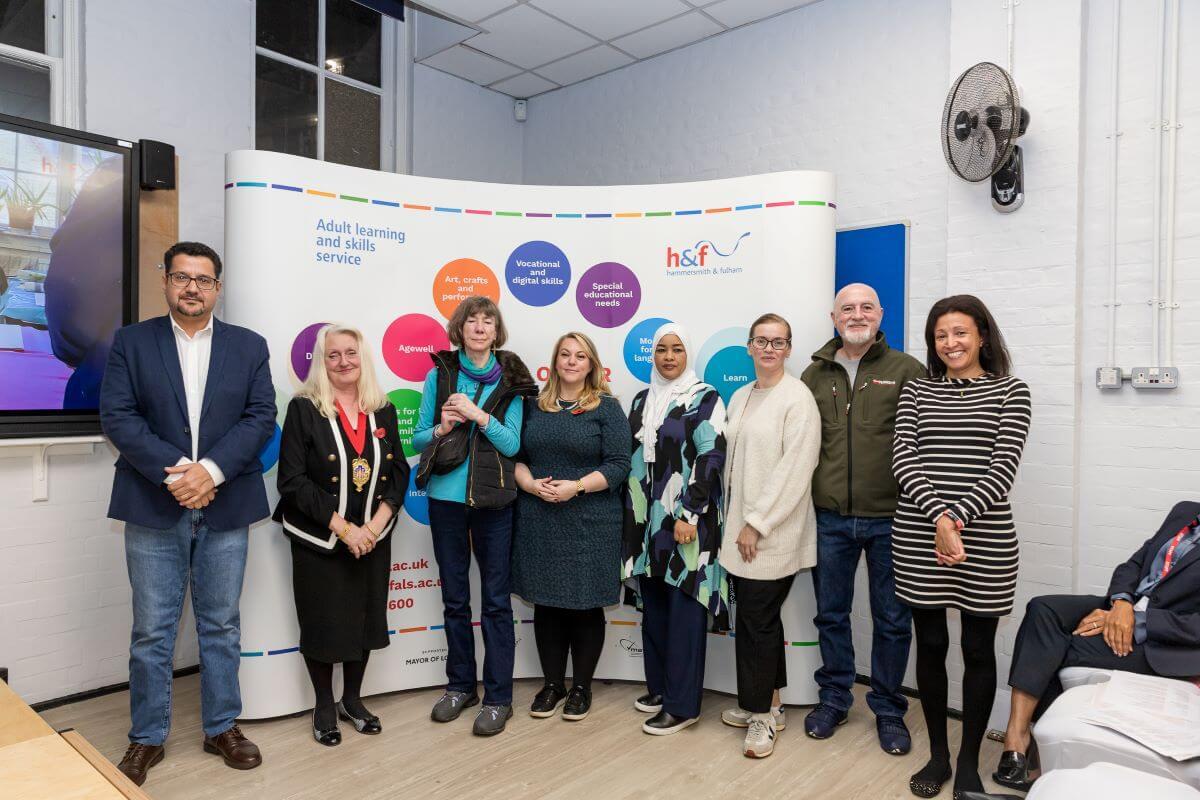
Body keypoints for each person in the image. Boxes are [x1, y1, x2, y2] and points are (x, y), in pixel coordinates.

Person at [99, 241, 275, 786]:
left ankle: (221, 726)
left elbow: (261, 416)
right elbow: (118, 416)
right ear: (167, 282)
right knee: (152, 631)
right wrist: (180, 472)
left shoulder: (248, 346)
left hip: (227, 501)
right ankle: (146, 738)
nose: (192, 287)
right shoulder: (132, 342)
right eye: (182, 277)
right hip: (156, 501)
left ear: (217, 287)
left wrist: (212, 472)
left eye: (203, 279)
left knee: (220, 625)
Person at [891, 295, 1031, 799]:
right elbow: (903, 460)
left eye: (960, 333)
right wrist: (939, 519)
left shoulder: (1011, 392)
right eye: (940, 336)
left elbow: (1003, 468)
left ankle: (969, 761)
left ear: (982, 337)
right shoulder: (916, 392)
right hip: (918, 537)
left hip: (986, 541)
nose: (950, 344)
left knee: (977, 649)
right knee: (929, 645)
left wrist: (957, 520)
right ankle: (938, 755)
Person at [993, 500, 1200, 791]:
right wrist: (1122, 603)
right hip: (1125, 609)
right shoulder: (1186, 512)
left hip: (1165, 642)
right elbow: (1134, 565)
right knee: (1044, 609)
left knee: (1061, 650)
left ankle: (1042, 766)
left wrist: (1140, 622)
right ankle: (1017, 735)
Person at [799, 283, 926, 754]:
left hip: (893, 518)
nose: (857, 315)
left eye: (866, 307)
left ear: (881, 313)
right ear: (833, 317)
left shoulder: (908, 370)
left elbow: (926, 444)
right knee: (831, 615)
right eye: (847, 308)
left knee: (892, 619)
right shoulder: (813, 375)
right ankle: (834, 698)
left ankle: (889, 709)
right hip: (830, 518)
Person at [273, 325, 410, 746]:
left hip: (371, 539)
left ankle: (353, 699)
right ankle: (324, 704)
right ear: (322, 361)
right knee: (322, 624)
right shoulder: (303, 408)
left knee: (365, 620)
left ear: (362, 358)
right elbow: (292, 481)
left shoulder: (381, 408)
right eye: (333, 355)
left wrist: (372, 527)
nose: (343, 361)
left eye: (351, 353)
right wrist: (345, 529)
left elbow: (399, 471)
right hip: (322, 538)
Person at [411, 296, 536, 736]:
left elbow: (513, 445)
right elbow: (418, 436)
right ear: (460, 329)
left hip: (494, 503)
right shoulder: (439, 374)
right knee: (455, 600)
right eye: (472, 321)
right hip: (445, 501)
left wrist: (480, 415)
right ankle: (460, 685)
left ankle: (499, 697)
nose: (480, 327)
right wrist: (444, 426)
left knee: (497, 603)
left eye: (488, 321)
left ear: (496, 331)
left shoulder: (514, 379)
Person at [511, 332, 631, 721]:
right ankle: (552, 685)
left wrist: (576, 487)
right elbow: (514, 455)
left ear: (592, 363)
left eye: (581, 356)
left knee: (584, 606)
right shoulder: (532, 406)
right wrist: (529, 484)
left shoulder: (607, 408)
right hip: (539, 517)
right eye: (565, 354)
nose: (572, 361)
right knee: (545, 605)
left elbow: (618, 464)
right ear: (555, 360)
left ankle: (580, 687)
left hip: (591, 521)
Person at [717, 313, 820, 758]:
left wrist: (757, 523)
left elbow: (796, 470)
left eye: (778, 342)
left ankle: (760, 718)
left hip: (769, 533)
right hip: (740, 528)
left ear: (789, 348)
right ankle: (772, 704)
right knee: (760, 622)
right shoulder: (742, 395)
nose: (769, 349)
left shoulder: (797, 399)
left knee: (756, 622)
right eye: (761, 340)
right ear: (750, 346)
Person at [621, 322, 729, 735]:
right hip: (646, 523)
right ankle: (663, 688)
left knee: (684, 606)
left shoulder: (705, 398)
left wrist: (691, 513)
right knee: (655, 607)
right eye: (662, 349)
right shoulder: (640, 400)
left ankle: (684, 706)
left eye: (677, 349)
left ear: (689, 355)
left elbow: (711, 455)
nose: (668, 357)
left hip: (685, 520)